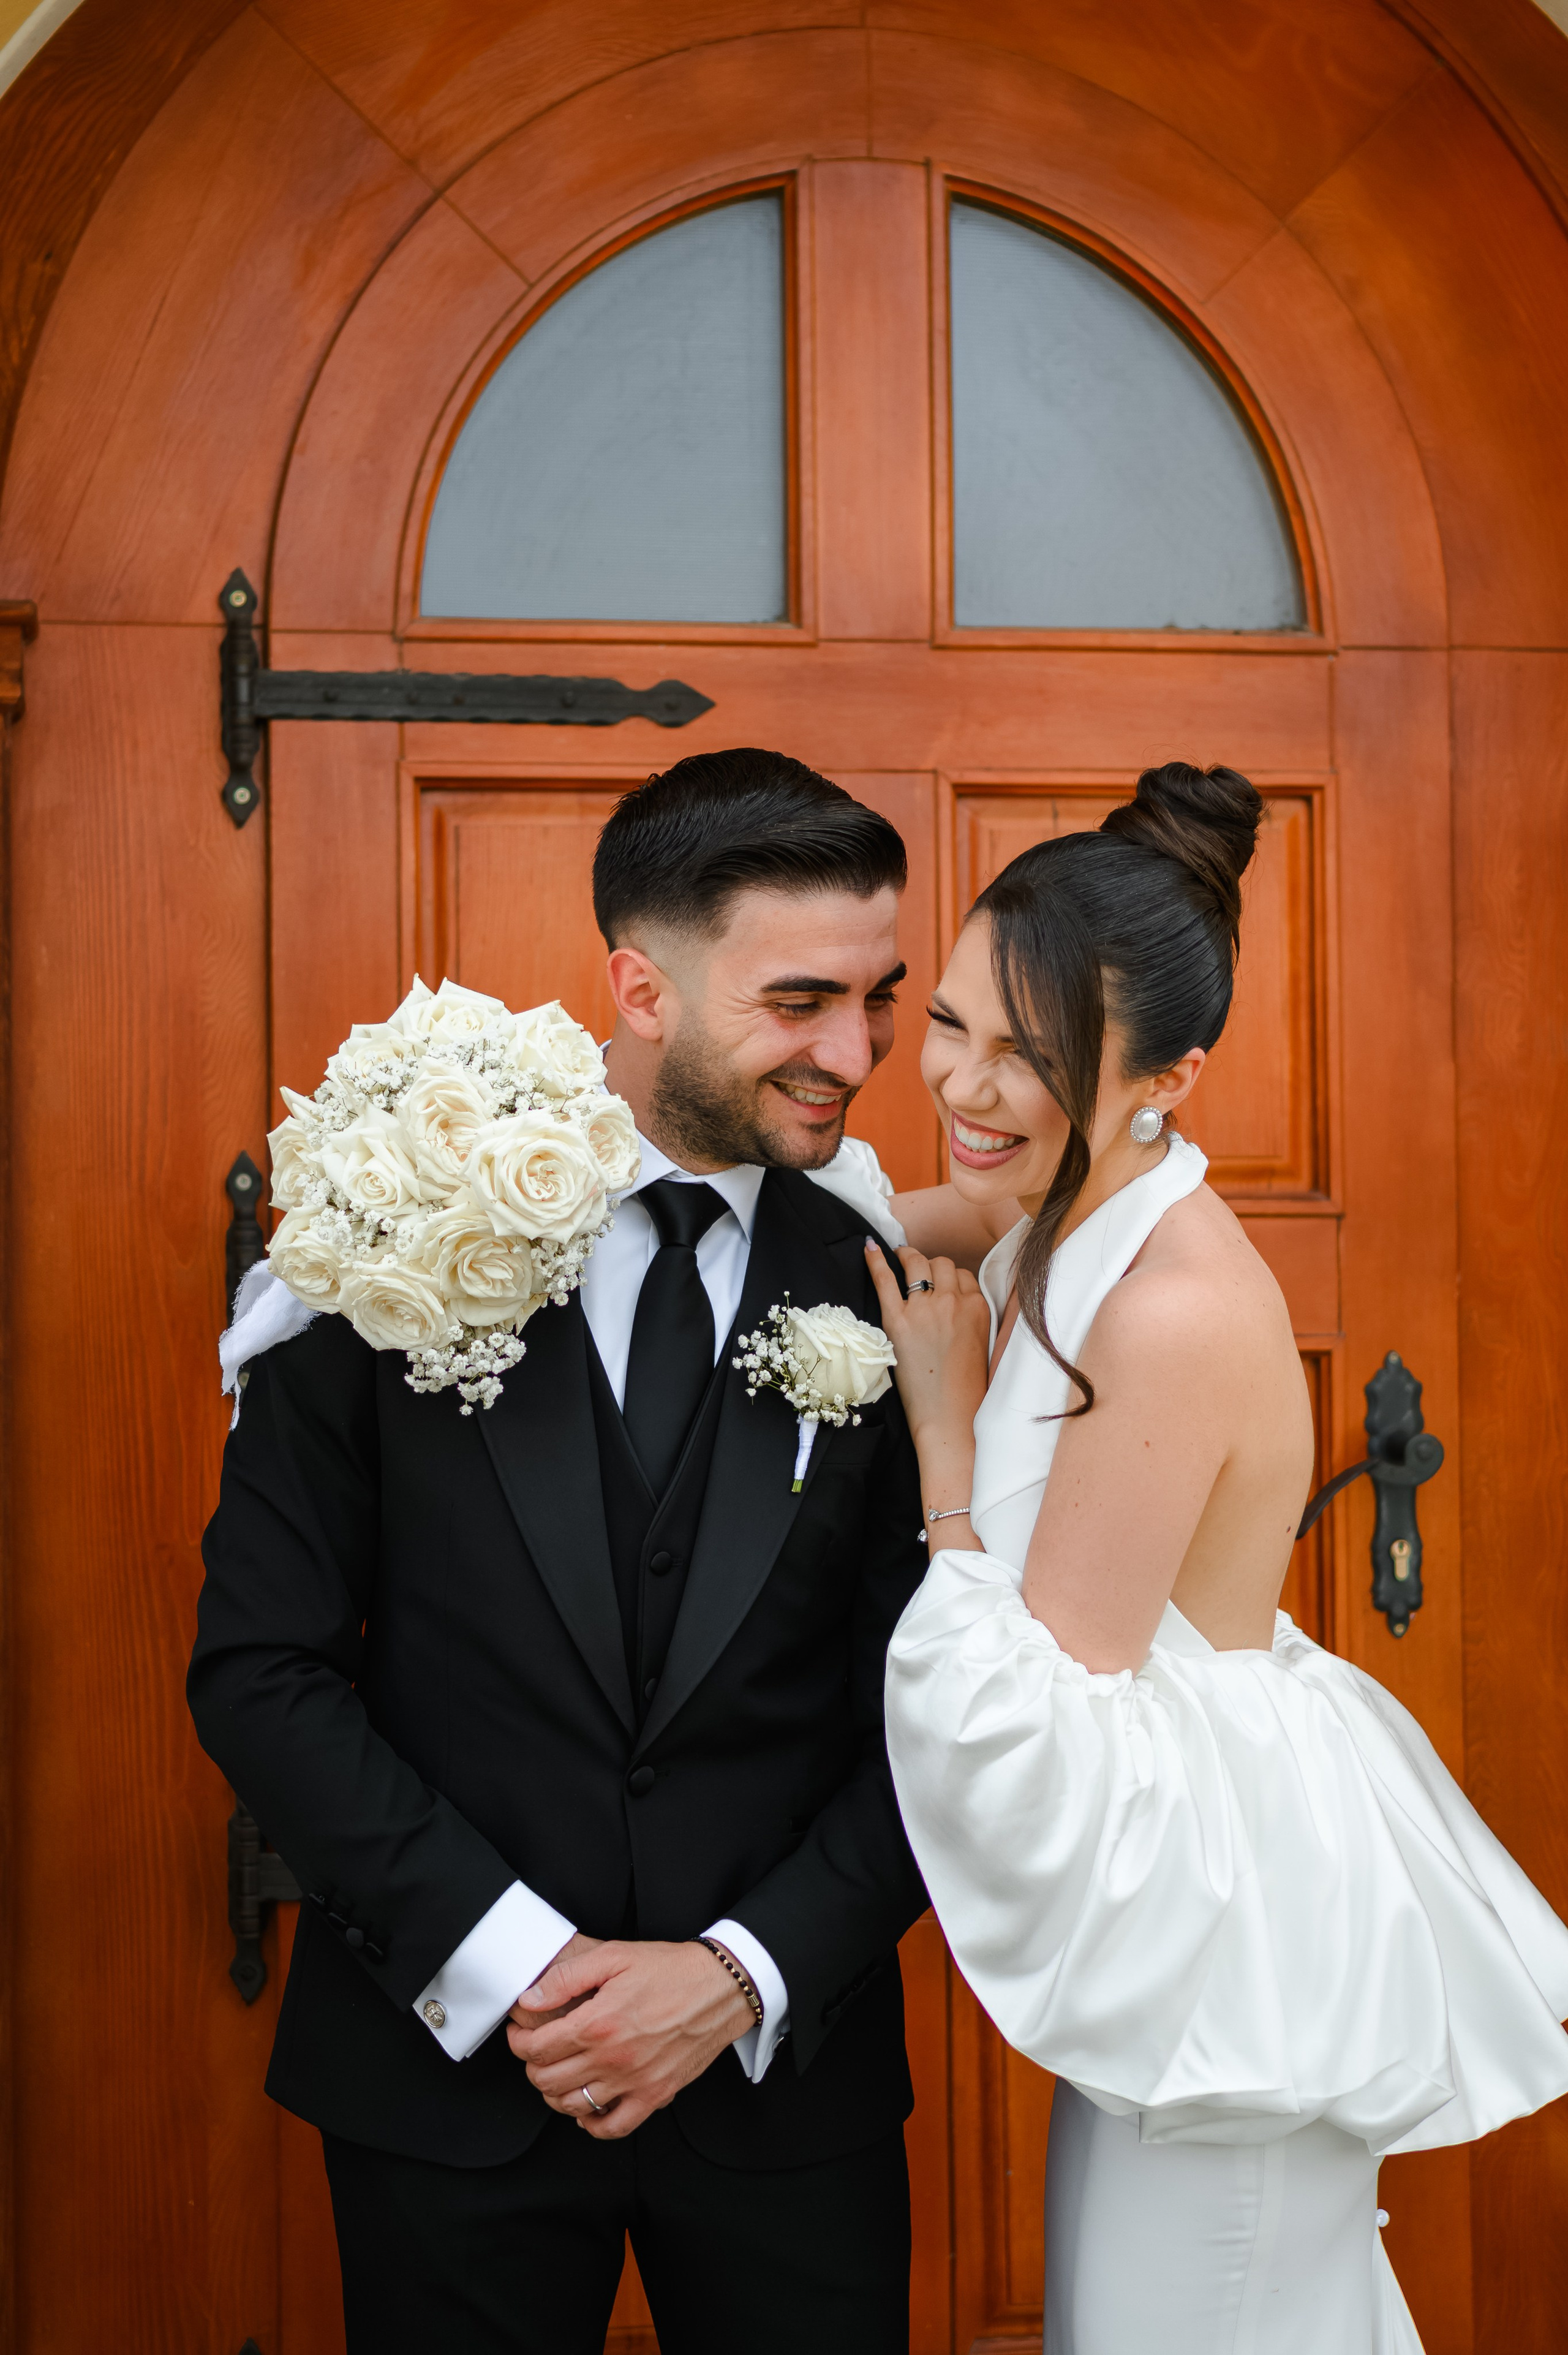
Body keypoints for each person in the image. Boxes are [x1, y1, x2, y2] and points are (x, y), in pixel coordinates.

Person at [188, 749, 930, 2354]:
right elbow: (262, 1666)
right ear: (639, 987)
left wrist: (741, 1974)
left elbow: (948, 1702)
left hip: (785, 2093)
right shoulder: (388, 1227)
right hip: (448, 2079)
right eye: (801, 1001)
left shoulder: (894, 1278)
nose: (856, 1052)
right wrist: (522, 1963)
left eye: (879, 998)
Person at [867, 762, 1568, 2354]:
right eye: (954, 1022)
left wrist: (945, 1443)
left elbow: (1045, 1712)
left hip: (1225, 1954)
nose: (966, 1084)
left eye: (1031, 1054)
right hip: (1189, 1926)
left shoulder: (1172, 1309)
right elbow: (873, 1218)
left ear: (1171, 1077)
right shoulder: (1062, 1195)